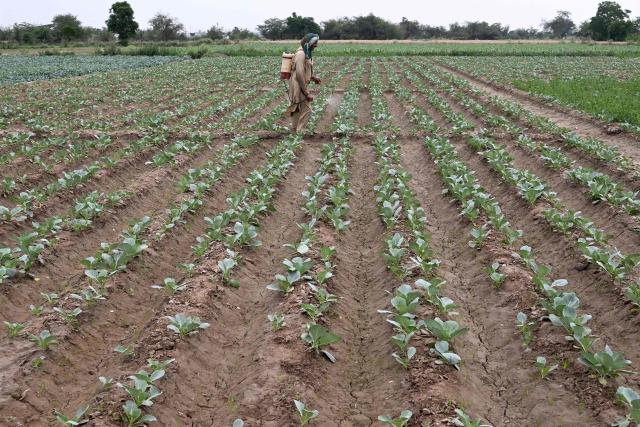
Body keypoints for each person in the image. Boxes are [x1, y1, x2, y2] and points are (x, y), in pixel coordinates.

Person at [286, 33, 321, 134]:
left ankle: (294, 131)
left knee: (296, 108)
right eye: (315, 43)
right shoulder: (301, 54)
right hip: (298, 84)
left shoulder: (306, 52)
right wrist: (306, 93)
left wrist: (313, 78)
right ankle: (300, 132)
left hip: (299, 83)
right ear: (309, 43)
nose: (316, 45)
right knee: (307, 109)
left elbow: (305, 70)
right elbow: (299, 74)